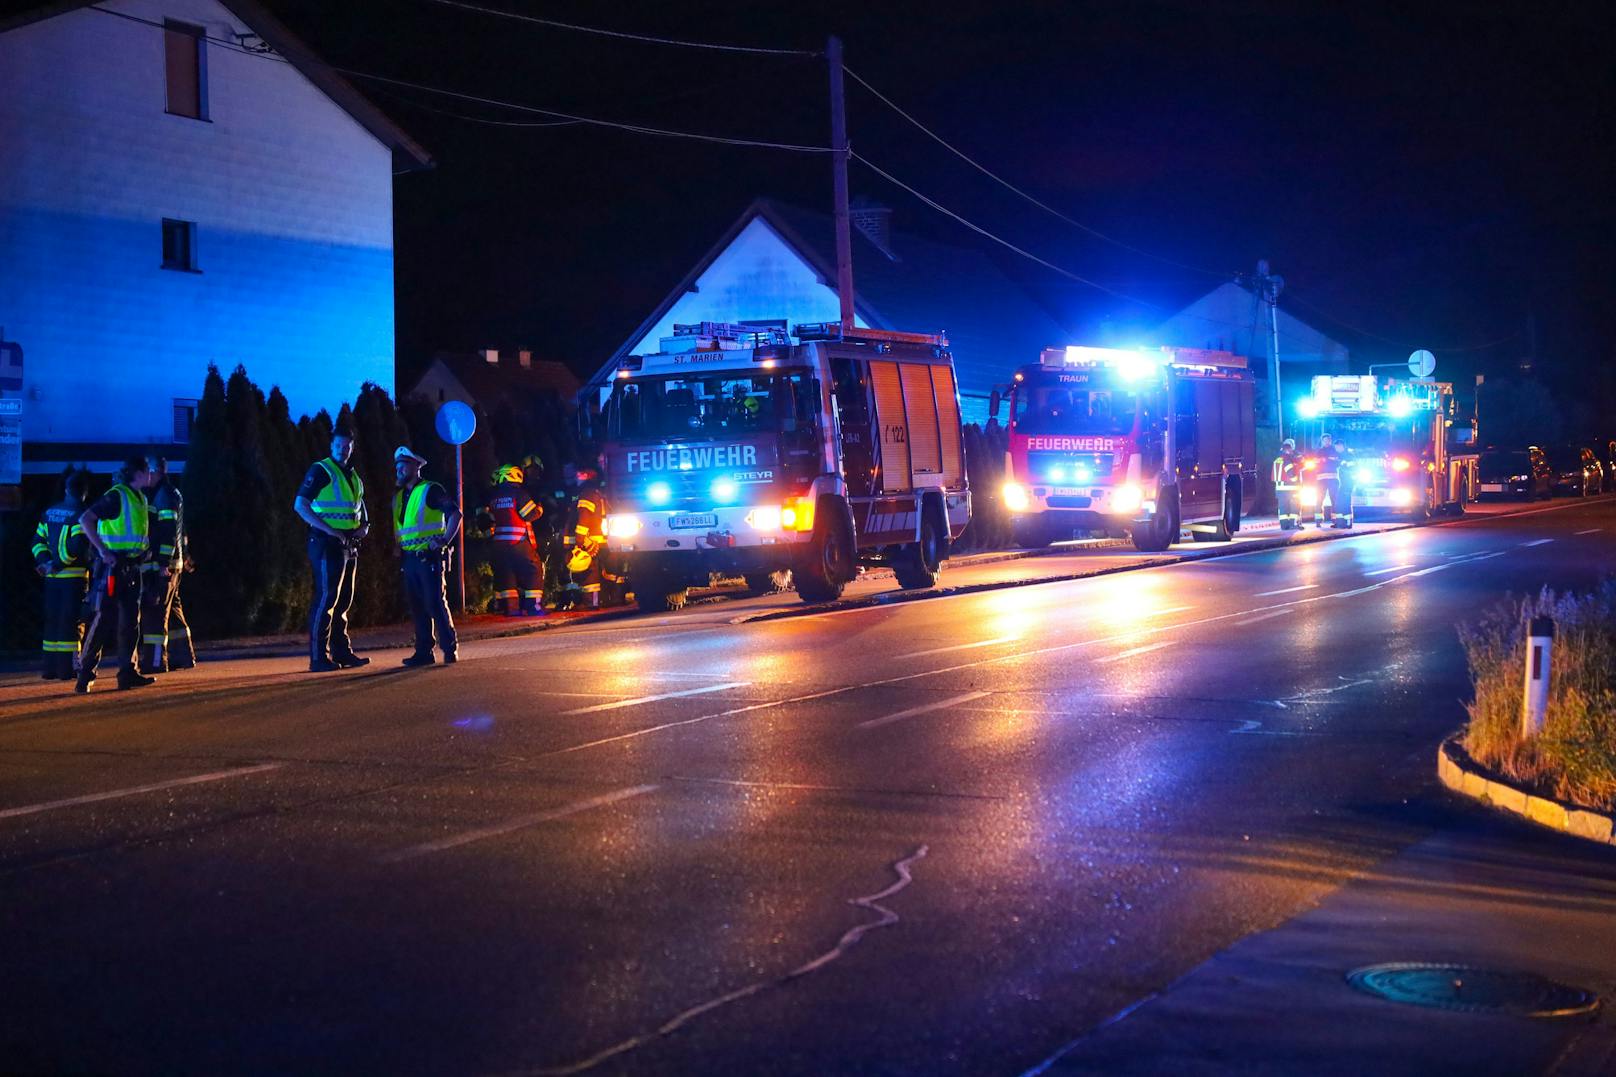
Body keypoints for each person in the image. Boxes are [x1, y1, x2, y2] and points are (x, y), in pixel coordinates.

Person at [76, 455, 158, 693]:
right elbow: (86, 519)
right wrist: (102, 550)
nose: (151, 475)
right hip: (112, 567)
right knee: (103, 619)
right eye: (148, 471)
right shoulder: (117, 495)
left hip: (131, 567)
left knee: (131, 622)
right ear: (140, 473)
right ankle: (85, 674)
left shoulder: (140, 498)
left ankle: (127, 674)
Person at [294, 426, 370, 672]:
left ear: (352, 447)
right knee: (326, 599)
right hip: (327, 544)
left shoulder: (354, 477)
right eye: (338, 445)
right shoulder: (322, 470)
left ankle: (341, 652)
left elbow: (359, 509)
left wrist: (363, 527)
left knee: (343, 602)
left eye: (346, 445)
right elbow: (300, 505)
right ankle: (318, 658)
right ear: (331, 446)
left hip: (348, 545)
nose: (342, 449)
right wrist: (330, 531)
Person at [392, 446, 461, 667]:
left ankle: (449, 648)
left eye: (404, 465)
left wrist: (444, 541)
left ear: (416, 467)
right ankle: (423, 652)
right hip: (409, 559)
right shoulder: (399, 497)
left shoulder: (431, 489)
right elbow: (402, 527)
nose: (399, 469)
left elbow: (455, 514)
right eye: (397, 465)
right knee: (417, 606)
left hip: (428, 557)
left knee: (434, 602)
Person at [32, 467, 91, 680]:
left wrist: (45, 563)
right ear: (84, 492)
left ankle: (49, 668)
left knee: (53, 621)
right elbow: (76, 547)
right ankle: (67, 669)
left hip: (51, 579)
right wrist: (57, 564)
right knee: (71, 622)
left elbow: (37, 541)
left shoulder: (50, 512)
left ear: (66, 489)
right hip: (72, 578)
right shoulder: (83, 514)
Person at [139, 457, 194, 673]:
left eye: (148, 473)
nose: (146, 478)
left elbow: (169, 532)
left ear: (156, 472)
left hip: (167, 564)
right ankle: (183, 655)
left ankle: (155, 662)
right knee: (173, 611)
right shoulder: (169, 493)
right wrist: (186, 555)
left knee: (156, 612)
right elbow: (182, 531)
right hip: (174, 561)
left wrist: (162, 564)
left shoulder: (164, 496)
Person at [484, 463, 545, 616]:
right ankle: (533, 607)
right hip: (518, 542)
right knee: (534, 569)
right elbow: (529, 515)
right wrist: (540, 510)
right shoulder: (519, 493)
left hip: (499, 545)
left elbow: (485, 520)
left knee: (506, 574)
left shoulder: (493, 497)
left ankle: (511, 609)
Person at [568, 466, 627, 608]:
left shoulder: (586, 494)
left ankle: (591, 602)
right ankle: (615, 600)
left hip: (594, 540)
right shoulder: (601, 494)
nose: (577, 479)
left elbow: (584, 517)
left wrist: (580, 540)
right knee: (612, 572)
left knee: (591, 572)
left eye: (580, 476)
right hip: (608, 540)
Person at [1315, 433, 1347, 528]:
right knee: (1319, 499)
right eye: (1325, 440)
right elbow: (1316, 462)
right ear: (1322, 441)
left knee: (1335, 499)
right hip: (1321, 479)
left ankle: (1335, 520)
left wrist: (1325, 460)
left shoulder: (1334, 450)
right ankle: (1318, 520)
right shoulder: (1319, 451)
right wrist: (1328, 459)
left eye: (1328, 440)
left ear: (1330, 440)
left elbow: (1338, 462)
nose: (1326, 442)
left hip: (1333, 478)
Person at [1272, 438, 1303, 531]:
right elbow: (1289, 470)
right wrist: (1295, 479)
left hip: (1280, 488)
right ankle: (1293, 524)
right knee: (1294, 506)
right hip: (1291, 487)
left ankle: (1284, 525)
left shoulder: (1277, 458)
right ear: (1289, 449)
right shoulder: (1287, 458)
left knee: (1283, 507)